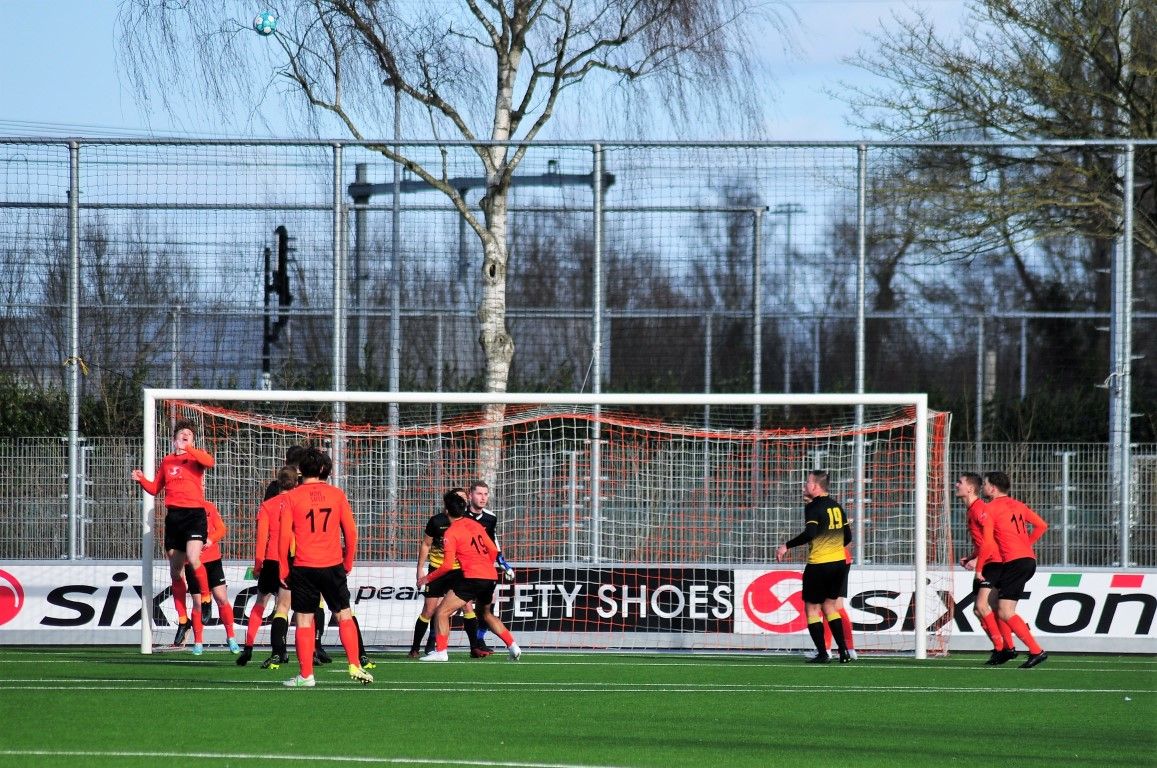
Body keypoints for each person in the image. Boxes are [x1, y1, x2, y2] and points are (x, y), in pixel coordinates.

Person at [277, 447, 374, 687]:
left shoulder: (291, 497)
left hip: (304, 566)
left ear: (301, 470)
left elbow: (282, 537)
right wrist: (348, 560)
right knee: (343, 614)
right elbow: (351, 532)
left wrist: (282, 569)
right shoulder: (336, 494)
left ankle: (306, 675)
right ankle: (355, 664)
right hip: (332, 565)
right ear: (324, 469)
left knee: (303, 620)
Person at [131, 418, 214, 655]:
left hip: (194, 515)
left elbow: (210, 461)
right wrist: (141, 480)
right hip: (174, 517)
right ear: (174, 439)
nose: (185, 436)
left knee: (193, 556)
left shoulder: (196, 457)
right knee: (175, 571)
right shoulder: (167, 461)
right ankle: (182, 618)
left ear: (193, 440)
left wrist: (191, 449)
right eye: (182, 434)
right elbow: (155, 488)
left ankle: (206, 598)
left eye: (189, 434)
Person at [417, 490, 522, 662]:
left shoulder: (451, 533)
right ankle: (513, 646)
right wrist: (484, 565)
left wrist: (426, 578)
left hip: (472, 577)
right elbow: (494, 550)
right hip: (490, 575)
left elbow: (446, 566)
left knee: (442, 612)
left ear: (446, 510)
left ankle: (441, 652)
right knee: (486, 614)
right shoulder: (476, 525)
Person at [775, 469, 852, 664]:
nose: (804, 486)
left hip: (820, 565)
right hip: (839, 564)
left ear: (815, 486)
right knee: (830, 606)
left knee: (811, 609)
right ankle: (843, 652)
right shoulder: (836, 506)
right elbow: (848, 537)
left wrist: (786, 545)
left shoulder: (813, 507)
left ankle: (823, 653)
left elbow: (810, 533)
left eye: (807, 482)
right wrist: (833, 548)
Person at [981, 470, 1049, 669]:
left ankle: (1036, 651)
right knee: (995, 603)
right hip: (1026, 560)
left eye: (984, 484)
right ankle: (1008, 648)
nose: (983, 487)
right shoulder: (1018, 504)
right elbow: (1042, 526)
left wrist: (978, 567)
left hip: (1014, 562)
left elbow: (986, 543)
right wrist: (1026, 544)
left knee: (1005, 611)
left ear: (992, 488)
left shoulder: (990, 508)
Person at [409, 487, 484, 658]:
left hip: (458, 571)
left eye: (464, 499)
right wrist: (420, 568)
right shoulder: (436, 521)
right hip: (437, 568)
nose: (462, 502)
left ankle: (474, 647)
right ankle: (415, 648)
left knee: (467, 606)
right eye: (459, 498)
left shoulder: (467, 521)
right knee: (428, 610)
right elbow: (426, 544)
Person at [238, 464, 298, 667]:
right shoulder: (298, 503)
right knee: (284, 607)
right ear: (295, 483)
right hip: (288, 560)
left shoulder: (267, 506)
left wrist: (257, 565)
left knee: (260, 603)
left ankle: (248, 647)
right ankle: (279, 649)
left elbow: (261, 538)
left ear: (278, 483)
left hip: (270, 560)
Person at [955, 472, 1015, 665]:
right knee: (982, 609)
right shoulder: (972, 509)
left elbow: (992, 539)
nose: (957, 485)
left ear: (970, 488)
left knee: (982, 607)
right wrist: (972, 557)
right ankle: (1004, 646)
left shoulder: (980, 509)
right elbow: (983, 541)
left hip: (993, 562)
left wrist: (979, 559)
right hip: (988, 561)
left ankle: (1002, 648)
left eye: (960, 482)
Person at [465, 480, 516, 654]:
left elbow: (493, 542)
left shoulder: (490, 518)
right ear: (470, 495)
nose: (483, 497)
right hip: (462, 568)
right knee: (442, 608)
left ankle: (479, 640)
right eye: (479, 494)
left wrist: (503, 564)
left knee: (487, 607)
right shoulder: (460, 515)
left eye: (486, 494)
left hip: (484, 569)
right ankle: (432, 645)